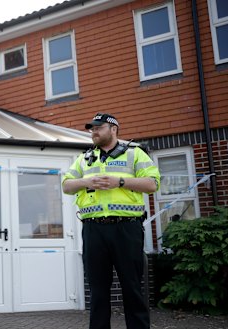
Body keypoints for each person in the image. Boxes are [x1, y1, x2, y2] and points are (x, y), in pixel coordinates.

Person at [62, 113, 160, 329]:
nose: (94, 132)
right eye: (92, 129)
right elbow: (66, 186)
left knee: (133, 288)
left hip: (126, 229)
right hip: (93, 230)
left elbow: (152, 184)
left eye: (99, 127)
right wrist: (85, 181)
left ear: (113, 129)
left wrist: (120, 181)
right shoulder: (84, 158)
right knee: (97, 292)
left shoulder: (135, 155)